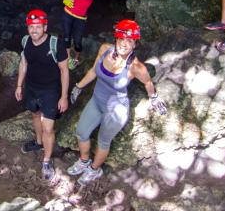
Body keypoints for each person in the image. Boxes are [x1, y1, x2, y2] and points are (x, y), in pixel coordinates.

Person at [67, 19, 166, 185]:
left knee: (103, 141)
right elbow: (93, 71)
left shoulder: (136, 67)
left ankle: (94, 169)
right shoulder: (105, 49)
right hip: (96, 101)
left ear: (135, 44)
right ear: (116, 39)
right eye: (121, 39)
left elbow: (148, 82)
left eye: (129, 41)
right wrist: (78, 86)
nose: (124, 44)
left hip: (116, 110)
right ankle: (84, 161)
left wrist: (154, 98)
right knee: (81, 132)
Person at [15, 9, 69, 180]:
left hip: (50, 91)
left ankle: (46, 160)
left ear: (45, 27)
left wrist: (64, 96)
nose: (34, 30)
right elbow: (23, 63)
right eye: (31, 27)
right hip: (31, 87)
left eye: (38, 27)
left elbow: (64, 71)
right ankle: (38, 143)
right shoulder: (25, 41)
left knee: (48, 127)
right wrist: (19, 85)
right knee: (35, 114)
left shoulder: (56, 44)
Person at [60, 0, 141, 68]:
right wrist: (65, 0)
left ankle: (76, 58)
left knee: (78, 42)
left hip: (81, 18)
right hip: (68, 14)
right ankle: (67, 59)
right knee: (66, 38)